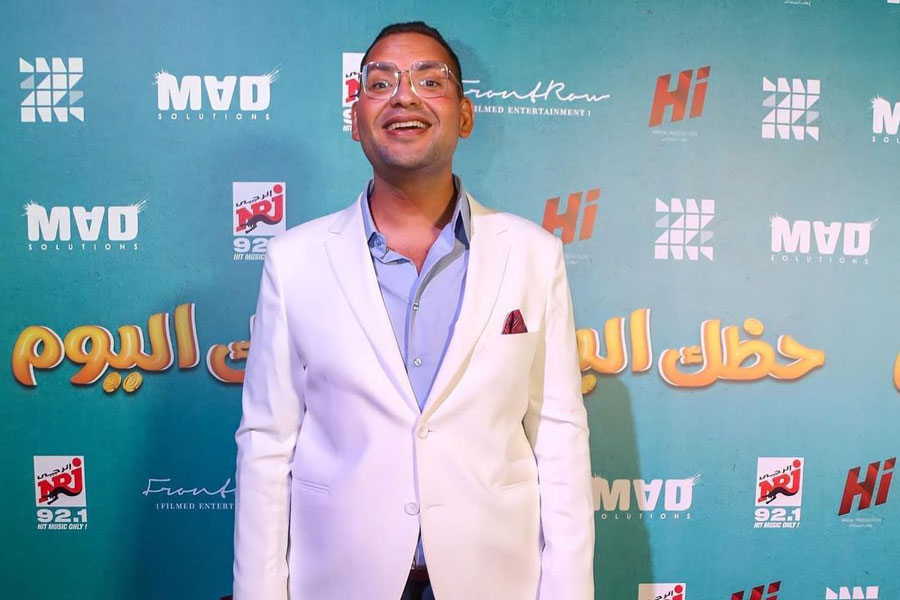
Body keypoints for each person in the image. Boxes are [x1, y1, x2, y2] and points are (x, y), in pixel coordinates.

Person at [232, 21, 594, 600]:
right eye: (380, 83)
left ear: (465, 116)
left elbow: (558, 434)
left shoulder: (533, 253)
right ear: (356, 121)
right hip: (341, 580)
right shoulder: (294, 259)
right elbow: (267, 443)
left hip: (494, 580)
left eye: (430, 80)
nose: (404, 96)